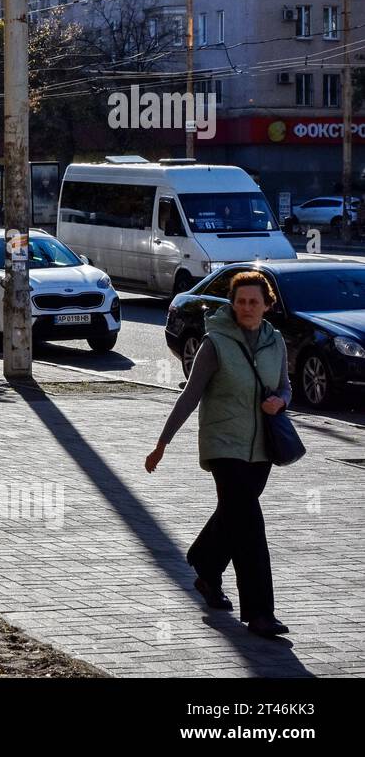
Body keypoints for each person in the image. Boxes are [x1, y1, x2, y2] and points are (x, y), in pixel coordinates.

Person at [146, 271, 293, 638]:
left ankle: (206, 566)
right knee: (249, 524)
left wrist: (281, 401)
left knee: (234, 514)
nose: (246, 307)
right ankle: (260, 612)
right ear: (233, 303)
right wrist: (162, 443)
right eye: (240, 301)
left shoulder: (276, 342)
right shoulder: (215, 343)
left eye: (253, 302)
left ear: (267, 305)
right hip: (223, 445)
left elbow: (286, 387)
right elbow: (190, 395)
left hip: (262, 448)